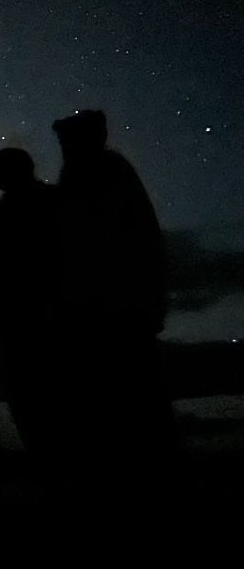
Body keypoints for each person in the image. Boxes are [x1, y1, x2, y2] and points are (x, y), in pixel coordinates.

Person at [52, 110, 173, 489]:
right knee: (129, 402)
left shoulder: (97, 173)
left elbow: (97, 244)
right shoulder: (98, 172)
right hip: (112, 310)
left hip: (113, 311)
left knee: (129, 402)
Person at [0, 148, 63, 464]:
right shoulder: (52, 199)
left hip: (33, 326)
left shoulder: (10, 213)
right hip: (37, 323)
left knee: (37, 409)